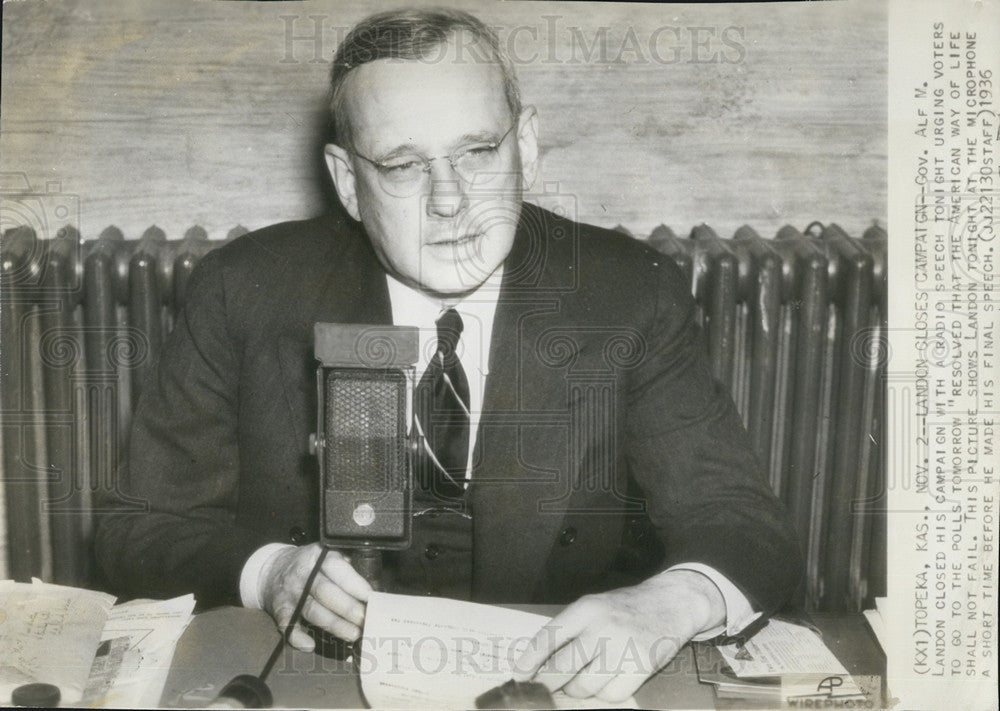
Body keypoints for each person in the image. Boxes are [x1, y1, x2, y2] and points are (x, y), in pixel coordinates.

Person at [96, 7, 801, 702]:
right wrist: (269, 571)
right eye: (403, 165)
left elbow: (742, 524)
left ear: (525, 145)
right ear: (347, 181)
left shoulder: (628, 293)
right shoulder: (242, 290)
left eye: (477, 152)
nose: (450, 200)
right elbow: (137, 528)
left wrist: (666, 605)